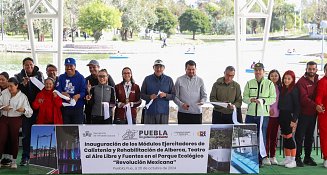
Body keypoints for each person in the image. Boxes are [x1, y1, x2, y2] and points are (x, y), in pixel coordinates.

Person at [243, 63, 276, 167]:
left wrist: (263, 100)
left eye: (259, 70)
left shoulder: (270, 84)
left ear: (263, 71)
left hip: (263, 115)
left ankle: (260, 159)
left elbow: (273, 98)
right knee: (249, 136)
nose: (257, 72)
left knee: (261, 137)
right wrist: (250, 100)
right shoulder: (249, 83)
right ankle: (249, 158)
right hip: (250, 114)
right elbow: (244, 97)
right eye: (256, 70)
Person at [14, 57, 44, 166]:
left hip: (38, 109)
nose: (29, 67)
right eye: (27, 65)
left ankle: (38, 157)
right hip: (26, 110)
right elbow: (16, 91)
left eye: (31, 64)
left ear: (34, 65)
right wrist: (23, 85)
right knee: (26, 135)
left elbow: (43, 88)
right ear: (23, 66)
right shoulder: (18, 76)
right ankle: (25, 157)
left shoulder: (39, 75)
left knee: (39, 133)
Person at [0, 77, 33, 169]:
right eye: (8, 86)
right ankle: (1, 160)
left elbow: (30, 112)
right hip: (4, 118)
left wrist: (23, 110)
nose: (9, 89)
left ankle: (14, 161)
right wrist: (2, 107)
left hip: (15, 119)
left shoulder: (23, 97)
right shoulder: (4, 93)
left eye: (11, 86)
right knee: (1, 139)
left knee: (14, 139)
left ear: (17, 85)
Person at [295, 61, 319, 167]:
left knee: (310, 137)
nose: (311, 71)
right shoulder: (301, 82)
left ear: (316, 70)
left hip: (314, 114)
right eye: (309, 69)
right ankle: (297, 157)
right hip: (303, 113)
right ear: (306, 69)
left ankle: (307, 157)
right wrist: (316, 106)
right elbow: (304, 99)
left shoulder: (318, 80)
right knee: (300, 136)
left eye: (313, 69)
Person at [141, 59, 175, 124]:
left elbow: (173, 95)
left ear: (164, 68)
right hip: (150, 112)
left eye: (161, 67)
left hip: (163, 113)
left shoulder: (169, 80)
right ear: (153, 68)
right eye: (156, 67)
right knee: (149, 133)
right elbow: (142, 95)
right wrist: (149, 97)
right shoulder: (147, 79)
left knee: (162, 133)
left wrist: (166, 95)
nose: (158, 69)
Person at [278, 70, 300, 168]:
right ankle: (287, 158)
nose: (286, 80)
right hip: (282, 115)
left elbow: (297, 106)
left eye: (289, 79)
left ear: (292, 79)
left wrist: (294, 120)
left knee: (290, 138)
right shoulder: (282, 89)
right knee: (285, 137)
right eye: (285, 78)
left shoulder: (294, 89)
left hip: (290, 116)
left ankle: (293, 160)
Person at [56, 57, 86, 124]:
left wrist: (78, 96)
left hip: (77, 107)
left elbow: (84, 91)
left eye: (71, 66)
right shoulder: (61, 77)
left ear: (75, 66)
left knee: (77, 128)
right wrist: (62, 93)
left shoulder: (81, 78)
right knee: (65, 128)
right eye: (67, 66)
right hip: (65, 107)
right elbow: (58, 89)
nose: (69, 68)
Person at [84, 60, 115, 124]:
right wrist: (87, 96)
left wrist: (109, 105)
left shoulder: (108, 78)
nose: (92, 69)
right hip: (92, 112)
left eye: (94, 67)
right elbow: (87, 96)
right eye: (90, 67)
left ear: (98, 67)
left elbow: (113, 95)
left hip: (106, 113)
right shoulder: (87, 79)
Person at [264, 70, 282, 165]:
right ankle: (265, 156)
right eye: (272, 76)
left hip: (278, 115)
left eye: (276, 75)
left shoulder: (280, 87)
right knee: (267, 136)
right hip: (268, 115)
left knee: (274, 136)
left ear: (279, 77)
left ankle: (273, 156)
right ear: (269, 77)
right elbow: (265, 99)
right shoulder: (267, 86)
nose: (274, 77)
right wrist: (269, 108)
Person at [315, 63, 327, 168]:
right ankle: (326, 158)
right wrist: (319, 105)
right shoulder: (322, 82)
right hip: (324, 113)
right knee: (324, 136)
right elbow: (319, 96)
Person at [0, 72, 12, 167]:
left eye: (3, 79)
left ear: (7, 80)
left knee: (7, 137)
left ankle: (7, 158)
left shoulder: (11, 89)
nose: (1, 81)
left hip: (9, 116)